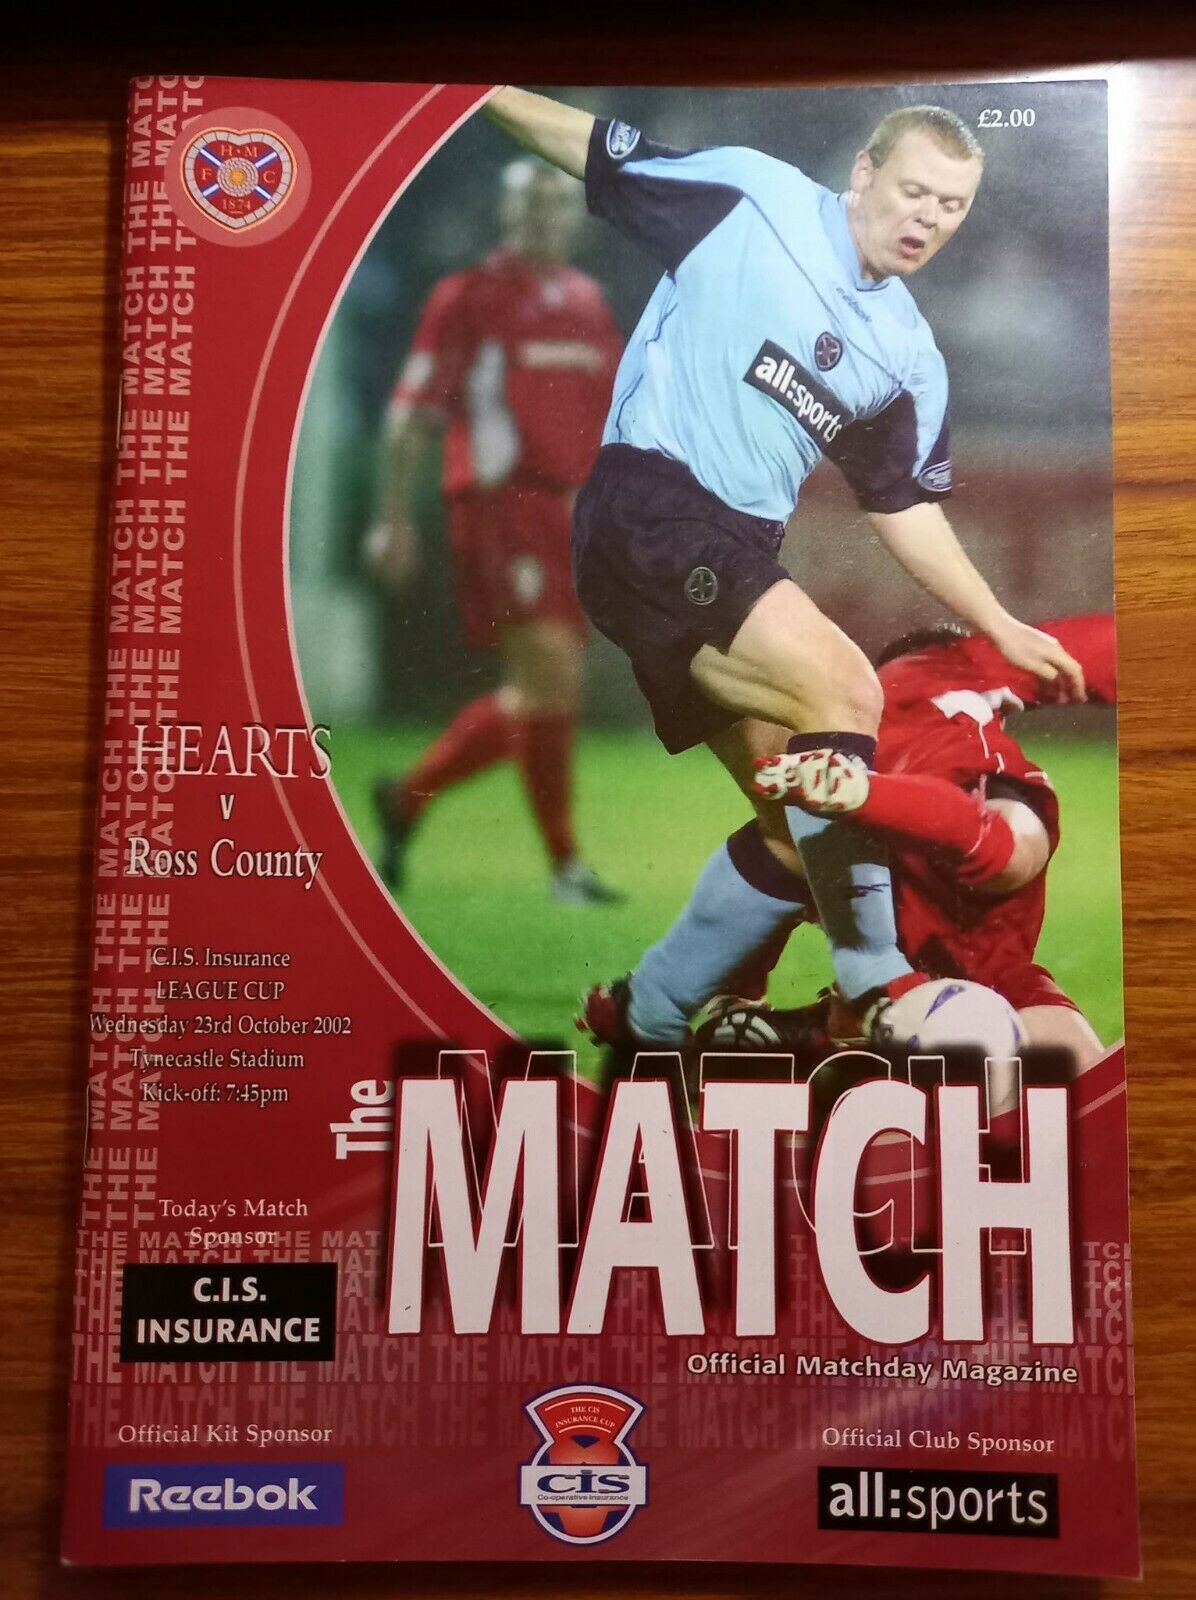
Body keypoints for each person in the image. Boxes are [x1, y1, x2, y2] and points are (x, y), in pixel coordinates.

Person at [482, 87, 1084, 1033]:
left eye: (952, 205)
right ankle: (875, 983)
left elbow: (903, 506)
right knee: (846, 694)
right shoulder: (753, 199)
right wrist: (465, 90)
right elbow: (595, 151)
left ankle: (651, 1010)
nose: (928, 218)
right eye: (915, 191)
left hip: (719, 550)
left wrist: (999, 623)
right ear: (863, 174)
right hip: (654, 504)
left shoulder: (907, 355)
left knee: (800, 826)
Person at [583, 615, 1115, 1067]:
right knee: (1060, 1058)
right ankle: (830, 1033)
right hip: (931, 949)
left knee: (806, 857)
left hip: (943, 946)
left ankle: (816, 1034)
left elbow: (766, 872)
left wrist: (736, 996)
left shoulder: (840, 789)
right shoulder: (955, 694)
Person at [368, 158, 624, 904]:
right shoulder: (468, 297)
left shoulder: (586, 301)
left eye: (555, 204)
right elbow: (411, 409)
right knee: (549, 673)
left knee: (544, 690)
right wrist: (391, 519)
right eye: (528, 204)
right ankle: (565, 867)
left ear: (573, 217)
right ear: (504, 213)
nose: (543, 217)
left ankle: (408, 796)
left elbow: (610, 414)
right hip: (498, 503)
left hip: (565, 512)